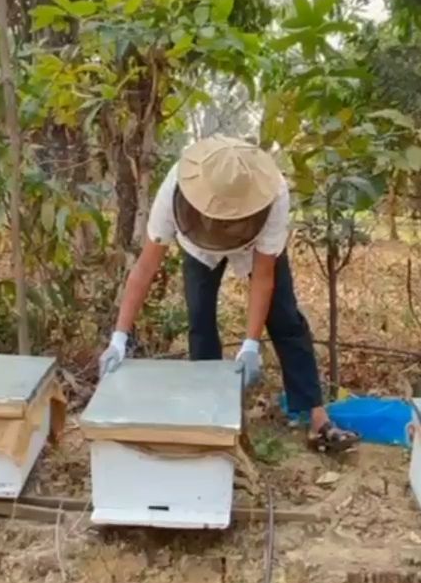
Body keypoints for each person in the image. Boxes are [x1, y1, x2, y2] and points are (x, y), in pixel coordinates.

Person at [97, 135, 359, 454]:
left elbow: (263, 277)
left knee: (286, 318)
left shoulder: (273, 192)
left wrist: (250, 345)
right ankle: (208, 414)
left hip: (253, 247)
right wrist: (118, 339)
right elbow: (145, 267)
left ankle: (317, 418)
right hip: (197, 250)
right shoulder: (174, 189)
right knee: (200, 319)